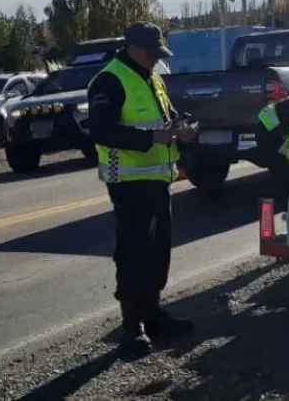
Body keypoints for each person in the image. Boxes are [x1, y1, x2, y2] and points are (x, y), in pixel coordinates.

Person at [87, 21, 197, 359]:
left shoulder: (151, 77)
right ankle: (132, 327)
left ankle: (153, 314)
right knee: (134, 253)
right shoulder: (109, 79)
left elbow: (166, 116)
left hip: (157, 178)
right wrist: (151, 138)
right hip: (129, 182)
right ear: (134, 49)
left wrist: (182, 128)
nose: (156, 59)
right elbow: (102, 131)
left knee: (158, 249)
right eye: (152, 53)